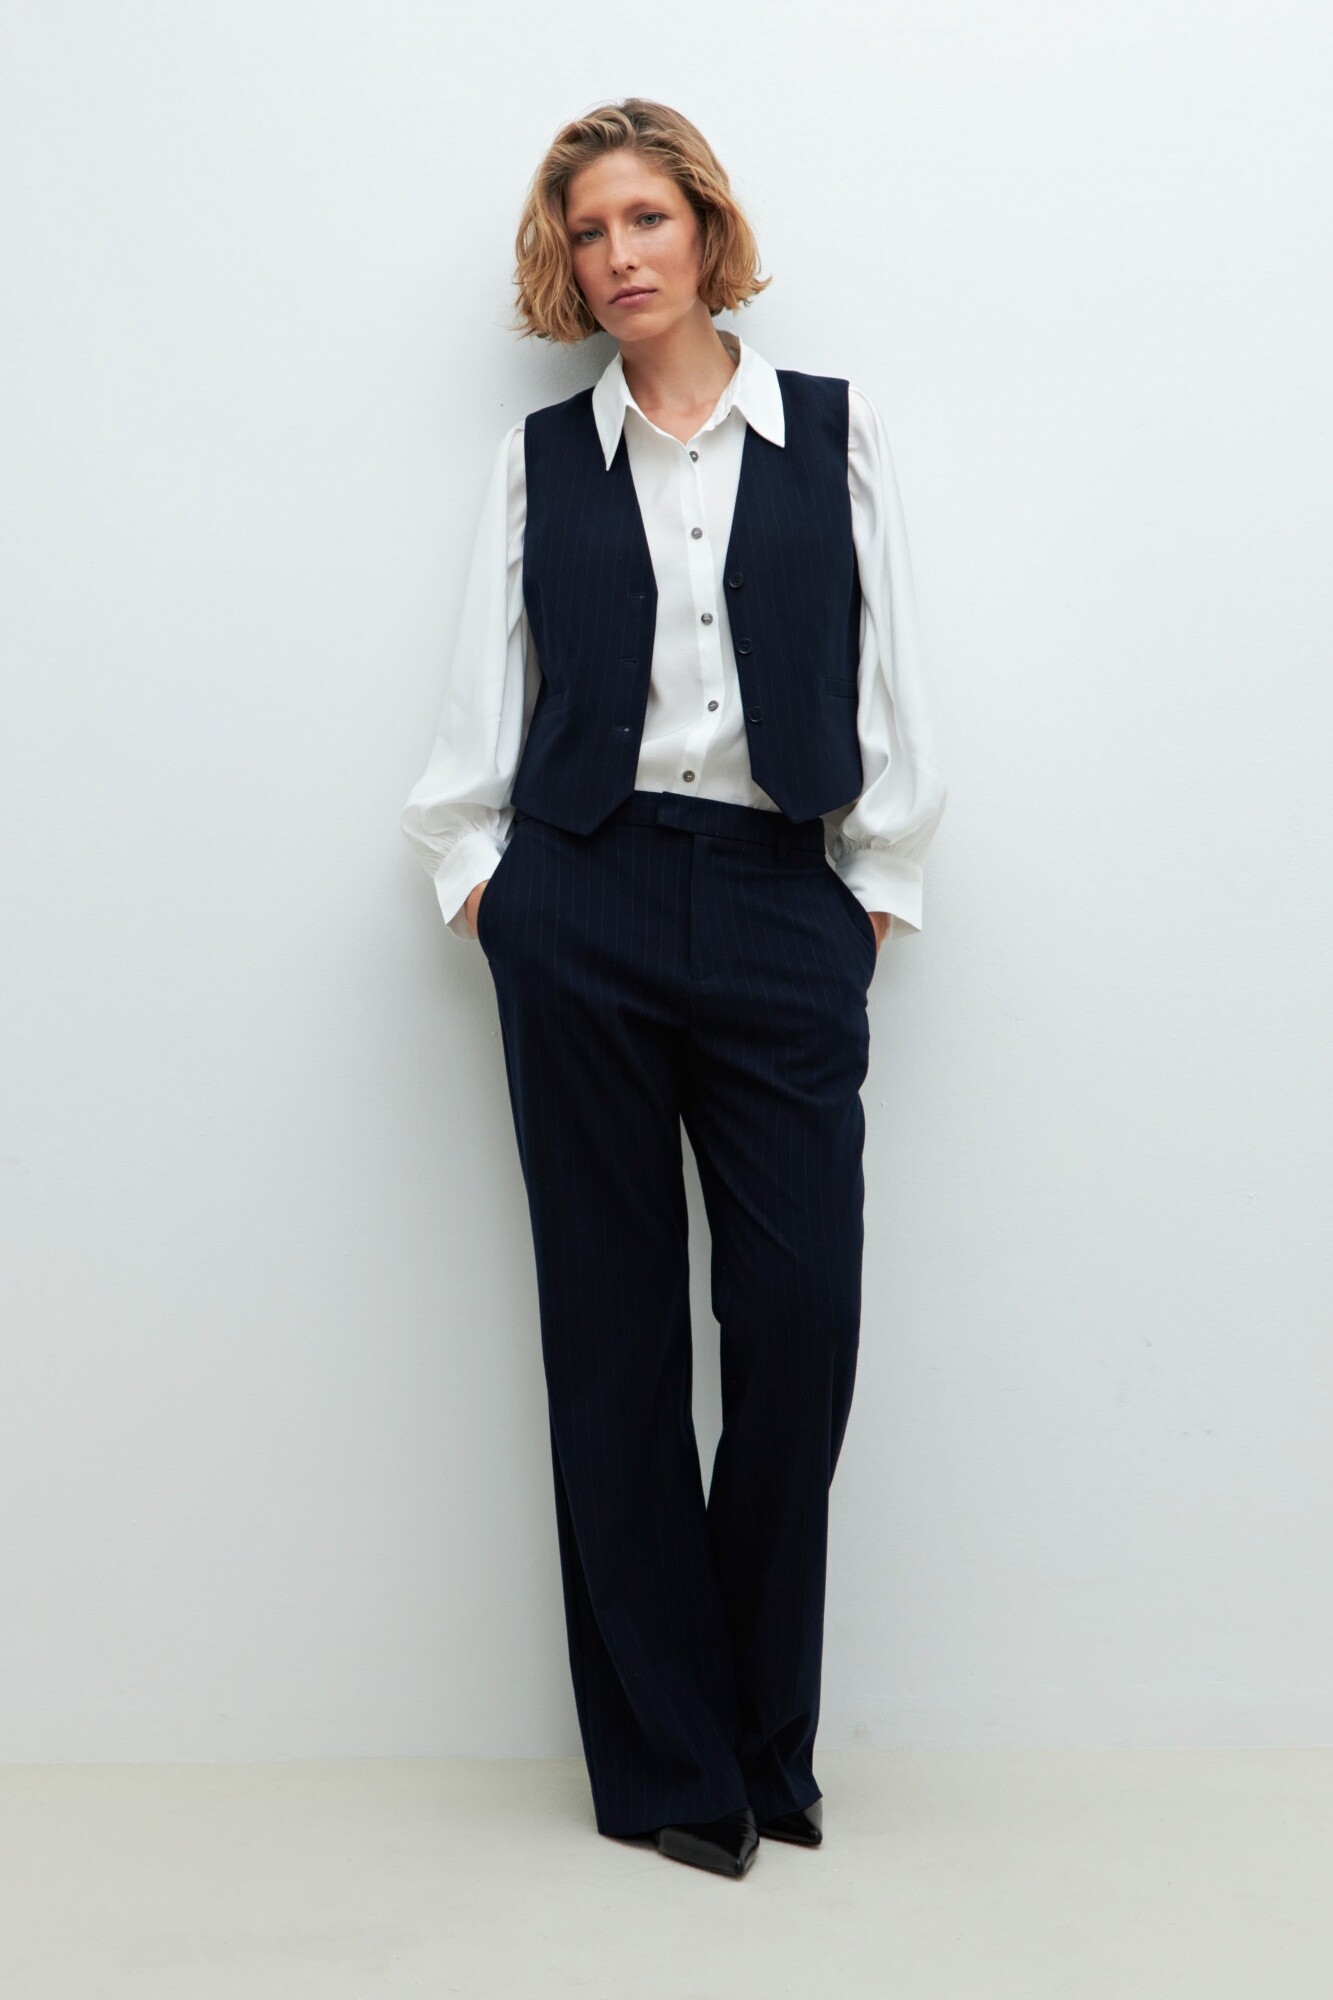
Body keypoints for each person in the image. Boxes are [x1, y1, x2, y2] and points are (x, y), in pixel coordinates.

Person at [401, 98, 947, 1879]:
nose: (618, 254)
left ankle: (762, 1741)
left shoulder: (835, 437)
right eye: (587, 231)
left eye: (644, 217)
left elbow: (895, 679)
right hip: (584, 901)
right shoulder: (539, 464)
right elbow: (478, 703)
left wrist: (871, 893)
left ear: (705, 229)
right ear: (564, 266)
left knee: (795, 1324)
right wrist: (487, 887)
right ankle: (667, 1764)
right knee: (612, 1334)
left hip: (786, 904)